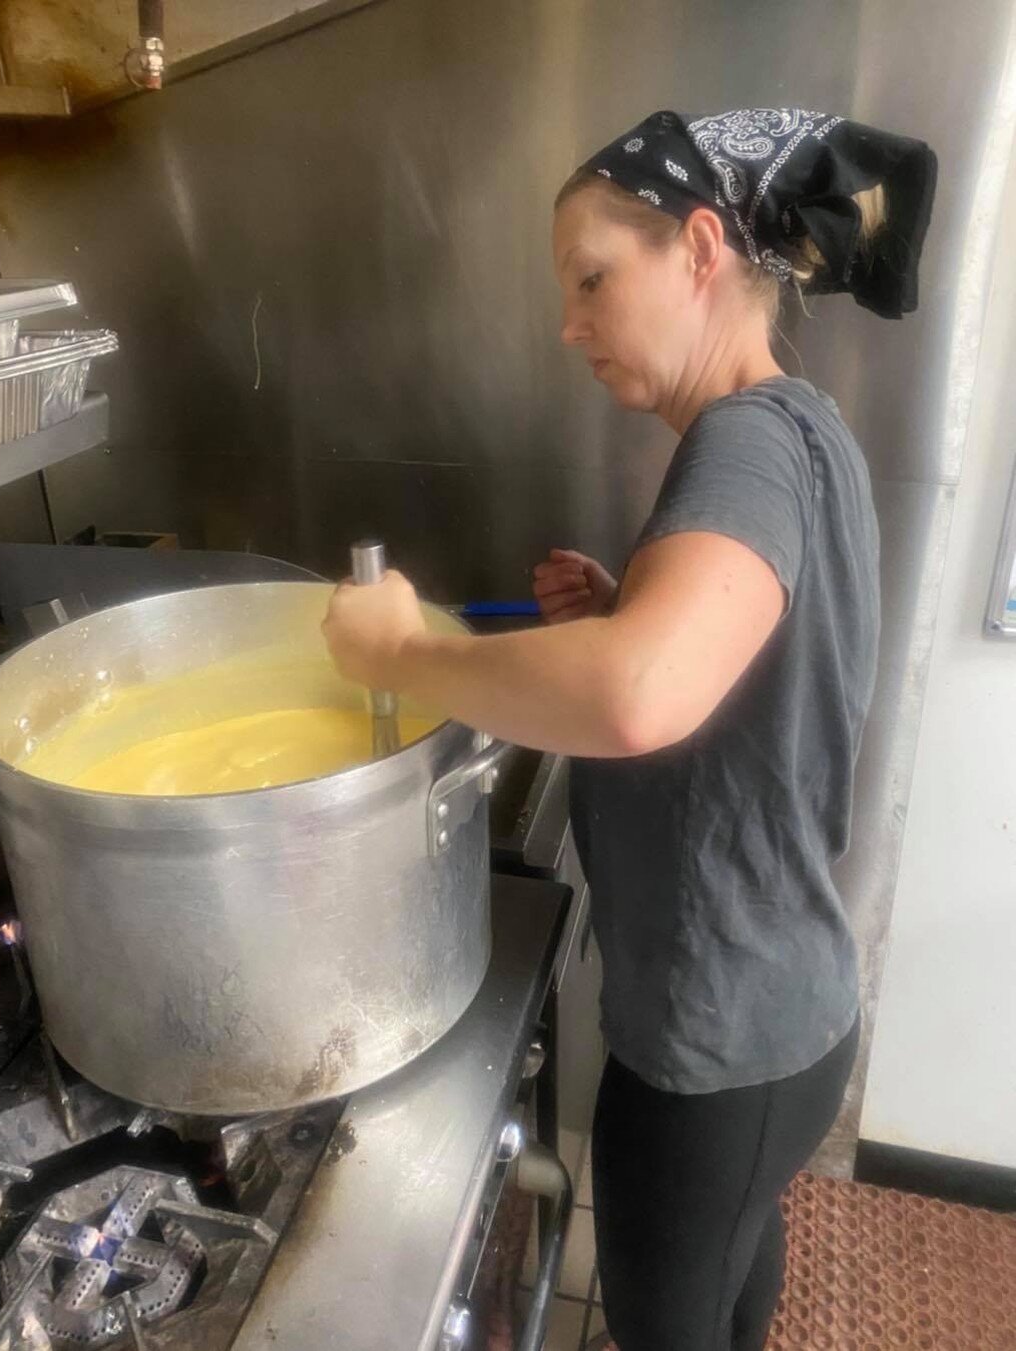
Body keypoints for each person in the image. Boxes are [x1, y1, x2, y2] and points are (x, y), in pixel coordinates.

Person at [324, 107, 937, 1351]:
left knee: (669, 1320)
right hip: (786, 1016)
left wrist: (395, 653)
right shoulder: (805, 433)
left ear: (701, 248)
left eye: (593, 279)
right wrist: (628, 606)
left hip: (717, 1049)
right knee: (728, 1273)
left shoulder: (746, 447)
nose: (571, 324)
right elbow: (742, 675)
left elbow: (632, 697)